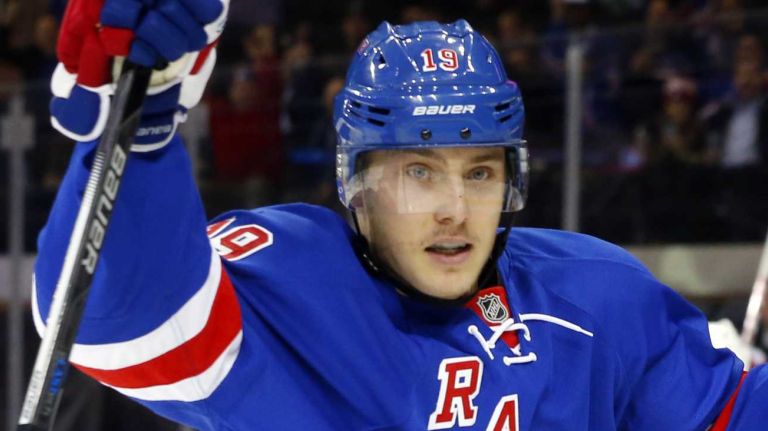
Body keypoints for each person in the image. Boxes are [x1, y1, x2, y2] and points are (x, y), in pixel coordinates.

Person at [32, 0, 768, 430]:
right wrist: (137, 140)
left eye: (480, 172)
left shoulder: (593, 294)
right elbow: (122, 330)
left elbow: (727, 415)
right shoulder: (290, 278)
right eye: (420, 171)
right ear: (356, 182)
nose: (456, 209)